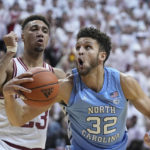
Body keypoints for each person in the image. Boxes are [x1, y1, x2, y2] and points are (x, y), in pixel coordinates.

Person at [2, 27, 150, 150]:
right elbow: (19, 118)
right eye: (78, 47)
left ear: (102, 56)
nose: (80, 51)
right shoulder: (65, 87)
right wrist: (8, 95)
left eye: (87, 47)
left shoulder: (124, 83)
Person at [0, 15, 66, 150]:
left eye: (45, 31)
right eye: (34, 29)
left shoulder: (56, 75)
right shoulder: (9, 66)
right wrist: (9, 53)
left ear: (48, 39)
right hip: (5, 144)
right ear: (22, 36)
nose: (40, 33)